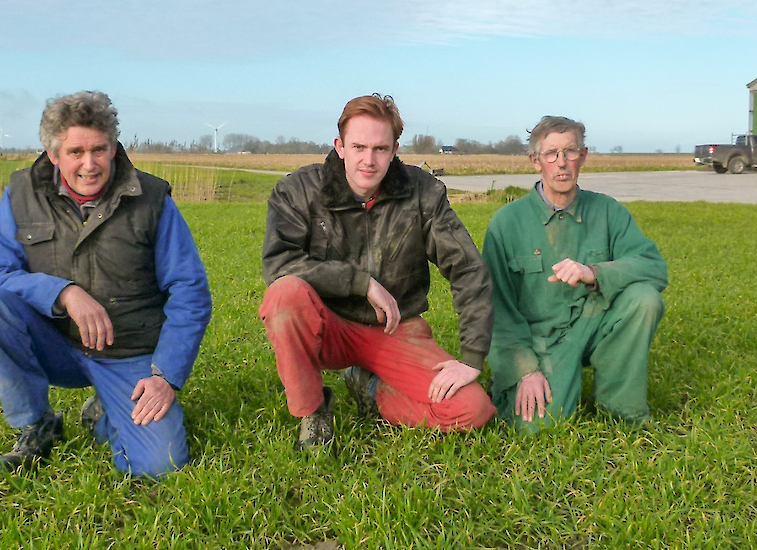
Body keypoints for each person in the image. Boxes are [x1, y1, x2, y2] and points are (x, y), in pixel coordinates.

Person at [0, 91, 211, 476]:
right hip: (56, 342)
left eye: (99, 150)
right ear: (53, 154)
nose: (89, 165)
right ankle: (37, 425)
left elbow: (190, 291)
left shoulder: (152, 199)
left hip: (128, 351)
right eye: (76, 152)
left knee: (162, 466)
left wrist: (165, 378)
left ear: (113, 147)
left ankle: (107, 411)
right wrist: (63, 293)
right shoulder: (21, 194)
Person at [259, 94, 495, 448]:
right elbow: (278, 264)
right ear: (340, 146)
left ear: (395, 148)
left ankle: (372, 388)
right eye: (358, 146)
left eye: (381, 149)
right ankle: (314, 410)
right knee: (284, 295)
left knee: (472, 410)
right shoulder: (299, 191)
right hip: (327, 327)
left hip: (396, 328)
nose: (368, 160)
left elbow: (467, 269)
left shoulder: (423, 194)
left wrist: (473, 357)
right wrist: (360, 282)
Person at [482, 116, 667, 433]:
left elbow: (653, 266)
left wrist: (594, 272)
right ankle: (516, 385)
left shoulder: (608, 211)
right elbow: (493, 307)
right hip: (539, 340)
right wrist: (524, 369)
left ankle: (620, 404)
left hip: (593, 322)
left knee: (644, 299)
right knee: (538, 426)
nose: (562, 162)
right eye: (551, 153)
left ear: (583, 155)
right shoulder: (506, 223)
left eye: (570, 151)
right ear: (535, 161)